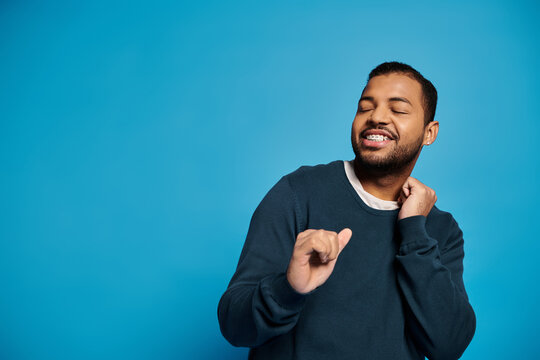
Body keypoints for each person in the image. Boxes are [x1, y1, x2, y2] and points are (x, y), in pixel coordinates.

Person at [217, 61, 476, 360]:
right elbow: (233, 325)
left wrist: (415, 230)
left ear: (429, 132)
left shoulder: (439, 228)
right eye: (365, 107)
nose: (377, 117)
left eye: (398, 109)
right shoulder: (298, 192)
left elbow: (449, 346)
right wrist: (288, 289)